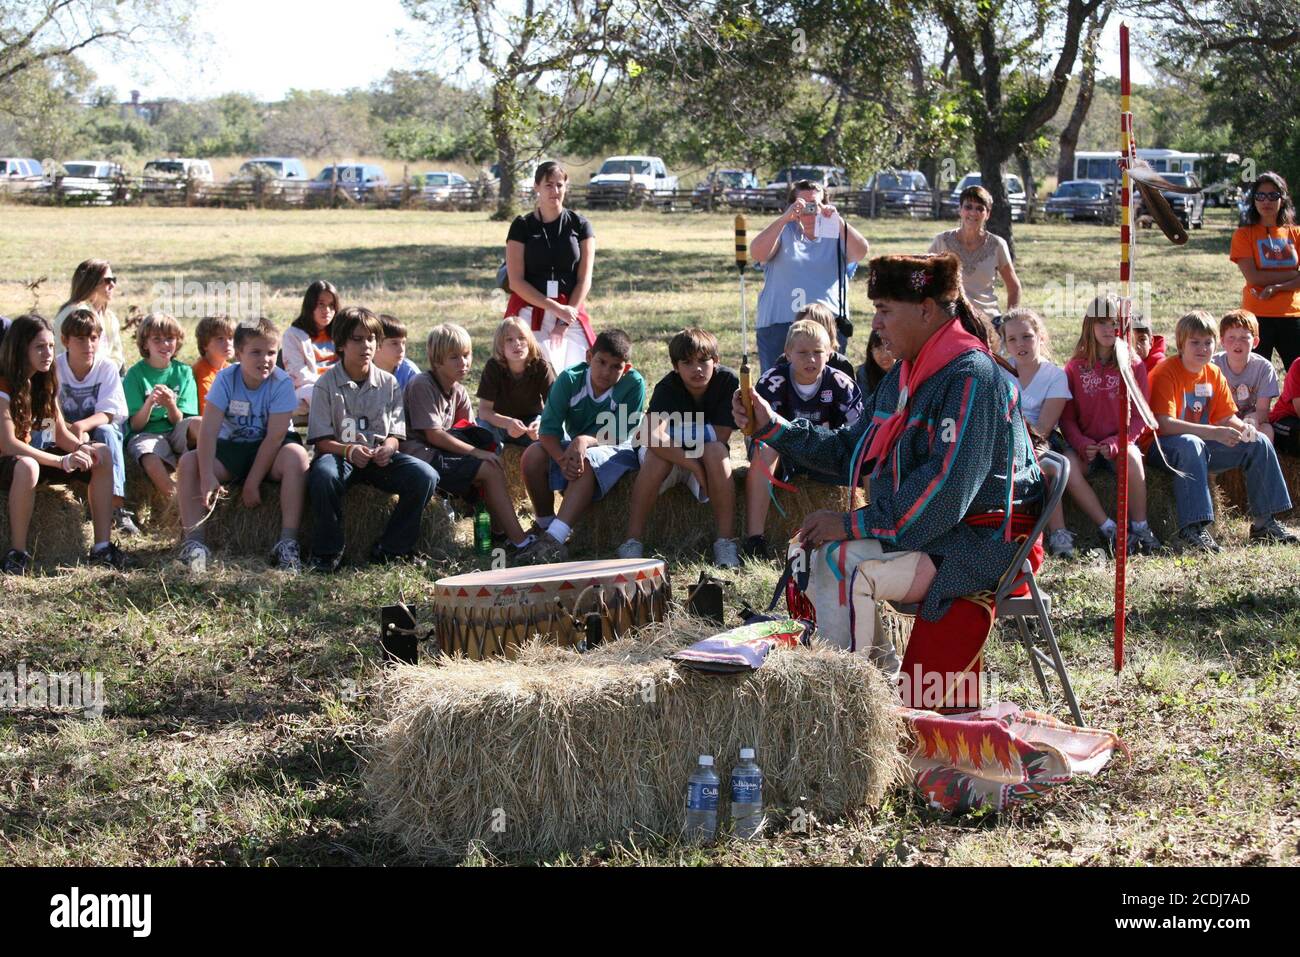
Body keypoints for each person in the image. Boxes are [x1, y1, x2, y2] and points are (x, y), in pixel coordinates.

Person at [732, 253, 1042, 712]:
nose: (875, 323)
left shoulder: (972, 378)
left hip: (982, 542)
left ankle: (852, 708)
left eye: (885, 309)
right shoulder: (908, 372)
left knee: (842, 562)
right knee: (821, 551)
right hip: (932, 529)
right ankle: (873, 693)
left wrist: (855, 524)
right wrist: (772, 426)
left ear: (926, 310)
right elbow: (851, 450)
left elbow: (945, 493)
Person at [1145, 310, 1297, 552]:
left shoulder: (1213, 373)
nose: (1202, 348)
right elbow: (1164, 425)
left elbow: (1226, 416)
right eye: (1195, 342)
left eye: (1208, 342)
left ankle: (1265, 523)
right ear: (1181, 344)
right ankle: (1193, 529)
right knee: (1190, 443)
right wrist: (1214, 433)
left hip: (1200, 446)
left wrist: (1244, 428)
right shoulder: (1167, 372)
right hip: (1161, 448)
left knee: (1258, 442)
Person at [305, 306, 438, 571]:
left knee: (426, 476)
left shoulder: (389, 383)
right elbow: (321, 441)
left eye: (371, 338)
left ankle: (392, 548)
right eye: (357, 339)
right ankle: (327, 552)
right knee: (322, 476)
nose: (366, 345)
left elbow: (395, 434)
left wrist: (388, 449)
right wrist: (349, 451)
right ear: (341, 343)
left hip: (379, 459)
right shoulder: (325, 384)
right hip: (340, 456)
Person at [0, 314, 131, 573]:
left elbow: (58, 434)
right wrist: (61, 460)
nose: (48, 353)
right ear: (20, 349)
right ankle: (18, 554)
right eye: (39, 347)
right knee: (28, 466)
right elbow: (8, 444)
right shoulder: (3, 384)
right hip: (8, 463)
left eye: (50, 346)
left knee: (101, 453)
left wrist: (81, 450)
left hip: (29, 460)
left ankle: (102, 548)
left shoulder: (42, 381)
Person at [176, 318, 308, 572]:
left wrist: (252, 483)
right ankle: (194, 545)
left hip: (271, 450)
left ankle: (288, 542)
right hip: (234, 447)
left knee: (298, 457)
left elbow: (274, 439)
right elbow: (209, 431)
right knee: (188, 462)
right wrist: (206, 476)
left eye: (271, 352)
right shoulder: (226, 379)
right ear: (238, 354)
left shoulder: (281, 383)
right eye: (256, 352)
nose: (265, 359)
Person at [398, 323, 537, 556]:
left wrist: (485, 448)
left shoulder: (459, 391)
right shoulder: (423, 384)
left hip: (443, 453)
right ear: (437, 360)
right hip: (421, 455)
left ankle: (499, 532)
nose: (463, 363)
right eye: (454, 357)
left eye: (466, 355)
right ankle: (520, 541)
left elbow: (466, 430)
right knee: (488, 468)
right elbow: (435, 435)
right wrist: (476, 452)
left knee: (492, 463)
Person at [518, 329, 645, 564]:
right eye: (601, 362)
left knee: (588, 460)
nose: (606, 372)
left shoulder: (634, 383)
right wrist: (562, 460)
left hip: (620, 448)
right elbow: (547, 431)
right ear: (589, 357)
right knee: (532, 455)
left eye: (615, 366)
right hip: (578, 448)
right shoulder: (569, 379)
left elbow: (620, 433)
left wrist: (583, 441)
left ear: (626, 368)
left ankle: (556, 539)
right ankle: (545, 525)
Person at [618, 327, 740, 567]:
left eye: (704, 360)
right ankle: (632, 541)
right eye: (687, 362)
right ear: (676, 366)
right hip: (671, 458)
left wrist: (682, 443)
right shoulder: (668, 387)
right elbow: (650, 436)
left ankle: (725, 542)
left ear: (716, 360)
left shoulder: (727, 381)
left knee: (716, 450)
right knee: (658, 457)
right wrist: (692, 465)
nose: (697, 368)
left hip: (704, 456)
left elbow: (722, 433)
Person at [743, 319, 863, 559]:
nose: (811, 359)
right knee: (766, 447)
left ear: (830, 353)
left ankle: (865, 527)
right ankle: (754, 538)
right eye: (803, 352)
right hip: (782, 457)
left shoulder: (841, 384)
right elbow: (753, 432)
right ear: (787, 354)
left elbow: (858, 435)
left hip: (828, 455)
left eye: (818, 352)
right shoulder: (772, 382)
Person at [749, 178, 869, 371]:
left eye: (815, 205)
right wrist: (784, 219)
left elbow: (861, 251)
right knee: (775, 388)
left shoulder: (837, 233)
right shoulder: (782, 231)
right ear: (790, 205)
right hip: (780, 325)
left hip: (827, 325)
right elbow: (757, 252)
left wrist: (836, 220)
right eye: (803, 205)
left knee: (829, 388)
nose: (810, 211)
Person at [998, 307, 1085, 557]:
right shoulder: (1001, 371)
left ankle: (1059, 532)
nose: (1020, 344)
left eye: (1026, 336)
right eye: (1012, 339)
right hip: (1004, 440)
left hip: (1039, 439)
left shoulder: (1054, 375)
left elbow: (1044, 428)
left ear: (1040, 337)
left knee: (1047, 467)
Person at [504, 160, 596, 375]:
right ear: (536, 187)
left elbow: (585, 279)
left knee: (587, 364)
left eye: (559, 185)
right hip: (530, 306)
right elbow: (516, 281)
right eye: (548, 185)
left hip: (570, 306)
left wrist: (564, 320)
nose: (555, 191)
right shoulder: (522, 226)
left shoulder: (580, 225)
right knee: (537, 365)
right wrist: (555, 310)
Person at [55, 306, 138, 536]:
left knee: (108, 432)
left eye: (93, 338)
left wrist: (82, 426)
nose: (89, 345)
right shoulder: (55, 368)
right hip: (62, 428)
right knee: (44, 430)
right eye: (80, 339)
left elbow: (111, 412)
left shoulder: (106, 367)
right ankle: (57, 495)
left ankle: (116, 505)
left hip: (94, 428)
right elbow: (48, 413)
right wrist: (71, 430)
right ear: (65, 340)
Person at [123, 312, 200, 501]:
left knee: (201, 423)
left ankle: (211, 478)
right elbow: (135, 426)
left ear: (178, 342)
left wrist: (170, 405)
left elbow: (181, 420)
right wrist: (149, 403)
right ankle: (176, 499)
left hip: (175, 430)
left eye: (170, 339)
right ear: (145, 344)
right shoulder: (135, 375)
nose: (165, 345)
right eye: (157, 339)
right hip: (147, 433)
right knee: (148, 455)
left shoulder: (184, 372)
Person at [1230, 172, 1300, 371]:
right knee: (1255, 377)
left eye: (1273, 195)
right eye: (1260, 196)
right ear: (1253, 200)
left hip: (1292, 315)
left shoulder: (1296, 233)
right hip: (1256, 316)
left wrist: (1278, 287)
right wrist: (1294, 274)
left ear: (1283, 199)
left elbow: (1262, 277)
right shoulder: (1244, 235)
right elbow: (1253, 276)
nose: (1266, 201)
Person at [928, 185, 1021, 324]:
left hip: (987, 321)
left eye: (980, 208)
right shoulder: (942, 241)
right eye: (968, 207)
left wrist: (1009, 323)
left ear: (987, 214)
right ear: (960, 210)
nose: (973, 212)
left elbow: (1014, 287)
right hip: (950, 320)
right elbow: (925, 277)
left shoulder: (997, 245)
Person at [476, 316, 554, 449]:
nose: (517, 343)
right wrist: (507, 423)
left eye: (522, 338)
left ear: (529, 341)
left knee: (555, 432)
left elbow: (554, 407)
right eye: (509, 339)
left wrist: (542, 424)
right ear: (500, 346)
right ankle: (491, 467)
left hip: (531, 423)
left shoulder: (541, 366)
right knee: (484, 432)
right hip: (499, 423)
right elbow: (484, 411)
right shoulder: (493, 367)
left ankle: (557, 468)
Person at [1212, 309, 1279, 445]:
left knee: (1267, 430)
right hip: (1221, 419)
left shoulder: (1264, 368)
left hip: (1251, 420)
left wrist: (1252, 420)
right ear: (1222, 341)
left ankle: (1258, 462)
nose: (1238, 342)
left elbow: (1263, 411)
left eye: (1244, 337)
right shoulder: (1213, 365)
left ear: (1255, 342)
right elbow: (1209, 406)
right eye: (1231, 337)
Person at [54, 259, 127, 373]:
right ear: (91, 283)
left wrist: (107, 373)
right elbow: (67, 355)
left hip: (107, 376)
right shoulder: (74, 314)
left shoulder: (109, 317)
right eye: (107, 280)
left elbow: (117, 355)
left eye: (114, 280)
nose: (112, 285)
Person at [282, 280, 341, 409]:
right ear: (310, 306)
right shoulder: (293, 335)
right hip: (306, 388)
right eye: (321, 304)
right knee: (318, 393)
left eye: (331, 305)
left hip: (340, 385)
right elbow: (299, 376)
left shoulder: (341, 333)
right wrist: (329, 385)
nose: (327, 310)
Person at [791, 303, 855, 378]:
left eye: (815, 327)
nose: (810, 332)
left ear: (828, 331)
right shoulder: (787, 360)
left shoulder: (841, 365)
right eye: (805, 327)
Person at [192, 315, 235, 412]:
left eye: (230, 337)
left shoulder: (231, 369)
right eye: (220, 338)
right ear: (205, 344)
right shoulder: (201, 373)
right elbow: (206, 412)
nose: (228, 343)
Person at [375, 314, 421, 389]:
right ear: (376, 344)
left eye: (403, 343)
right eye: (394, 343)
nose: (401, 349)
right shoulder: (363, 369)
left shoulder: (409, 373)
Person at [855, 329, 895, 399]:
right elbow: (865, 405)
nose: (884, 355)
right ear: (871, 352)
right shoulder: (864, 373)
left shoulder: (906, 369)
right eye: (878, 348)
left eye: (887, 347)